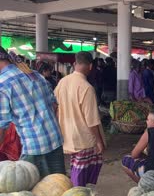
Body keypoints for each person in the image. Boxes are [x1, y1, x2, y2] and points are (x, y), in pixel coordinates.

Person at [0, 47, 64, 176]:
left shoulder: (3, 84)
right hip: (55, 140)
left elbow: (1, 126)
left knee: (33, 193)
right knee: (58, 187)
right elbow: (54, 105)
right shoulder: (35, 74)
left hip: (33, 148)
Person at [54, 51, 106, 187]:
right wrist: (99, 141)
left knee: (75, 166)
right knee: (81, 173)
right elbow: (91, 120)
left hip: (67, 134)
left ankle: (78, 194)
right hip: (84, 138)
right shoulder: (87, 88)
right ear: (90, 67)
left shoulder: (62, 82)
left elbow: (54, 106)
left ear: (74, 64)